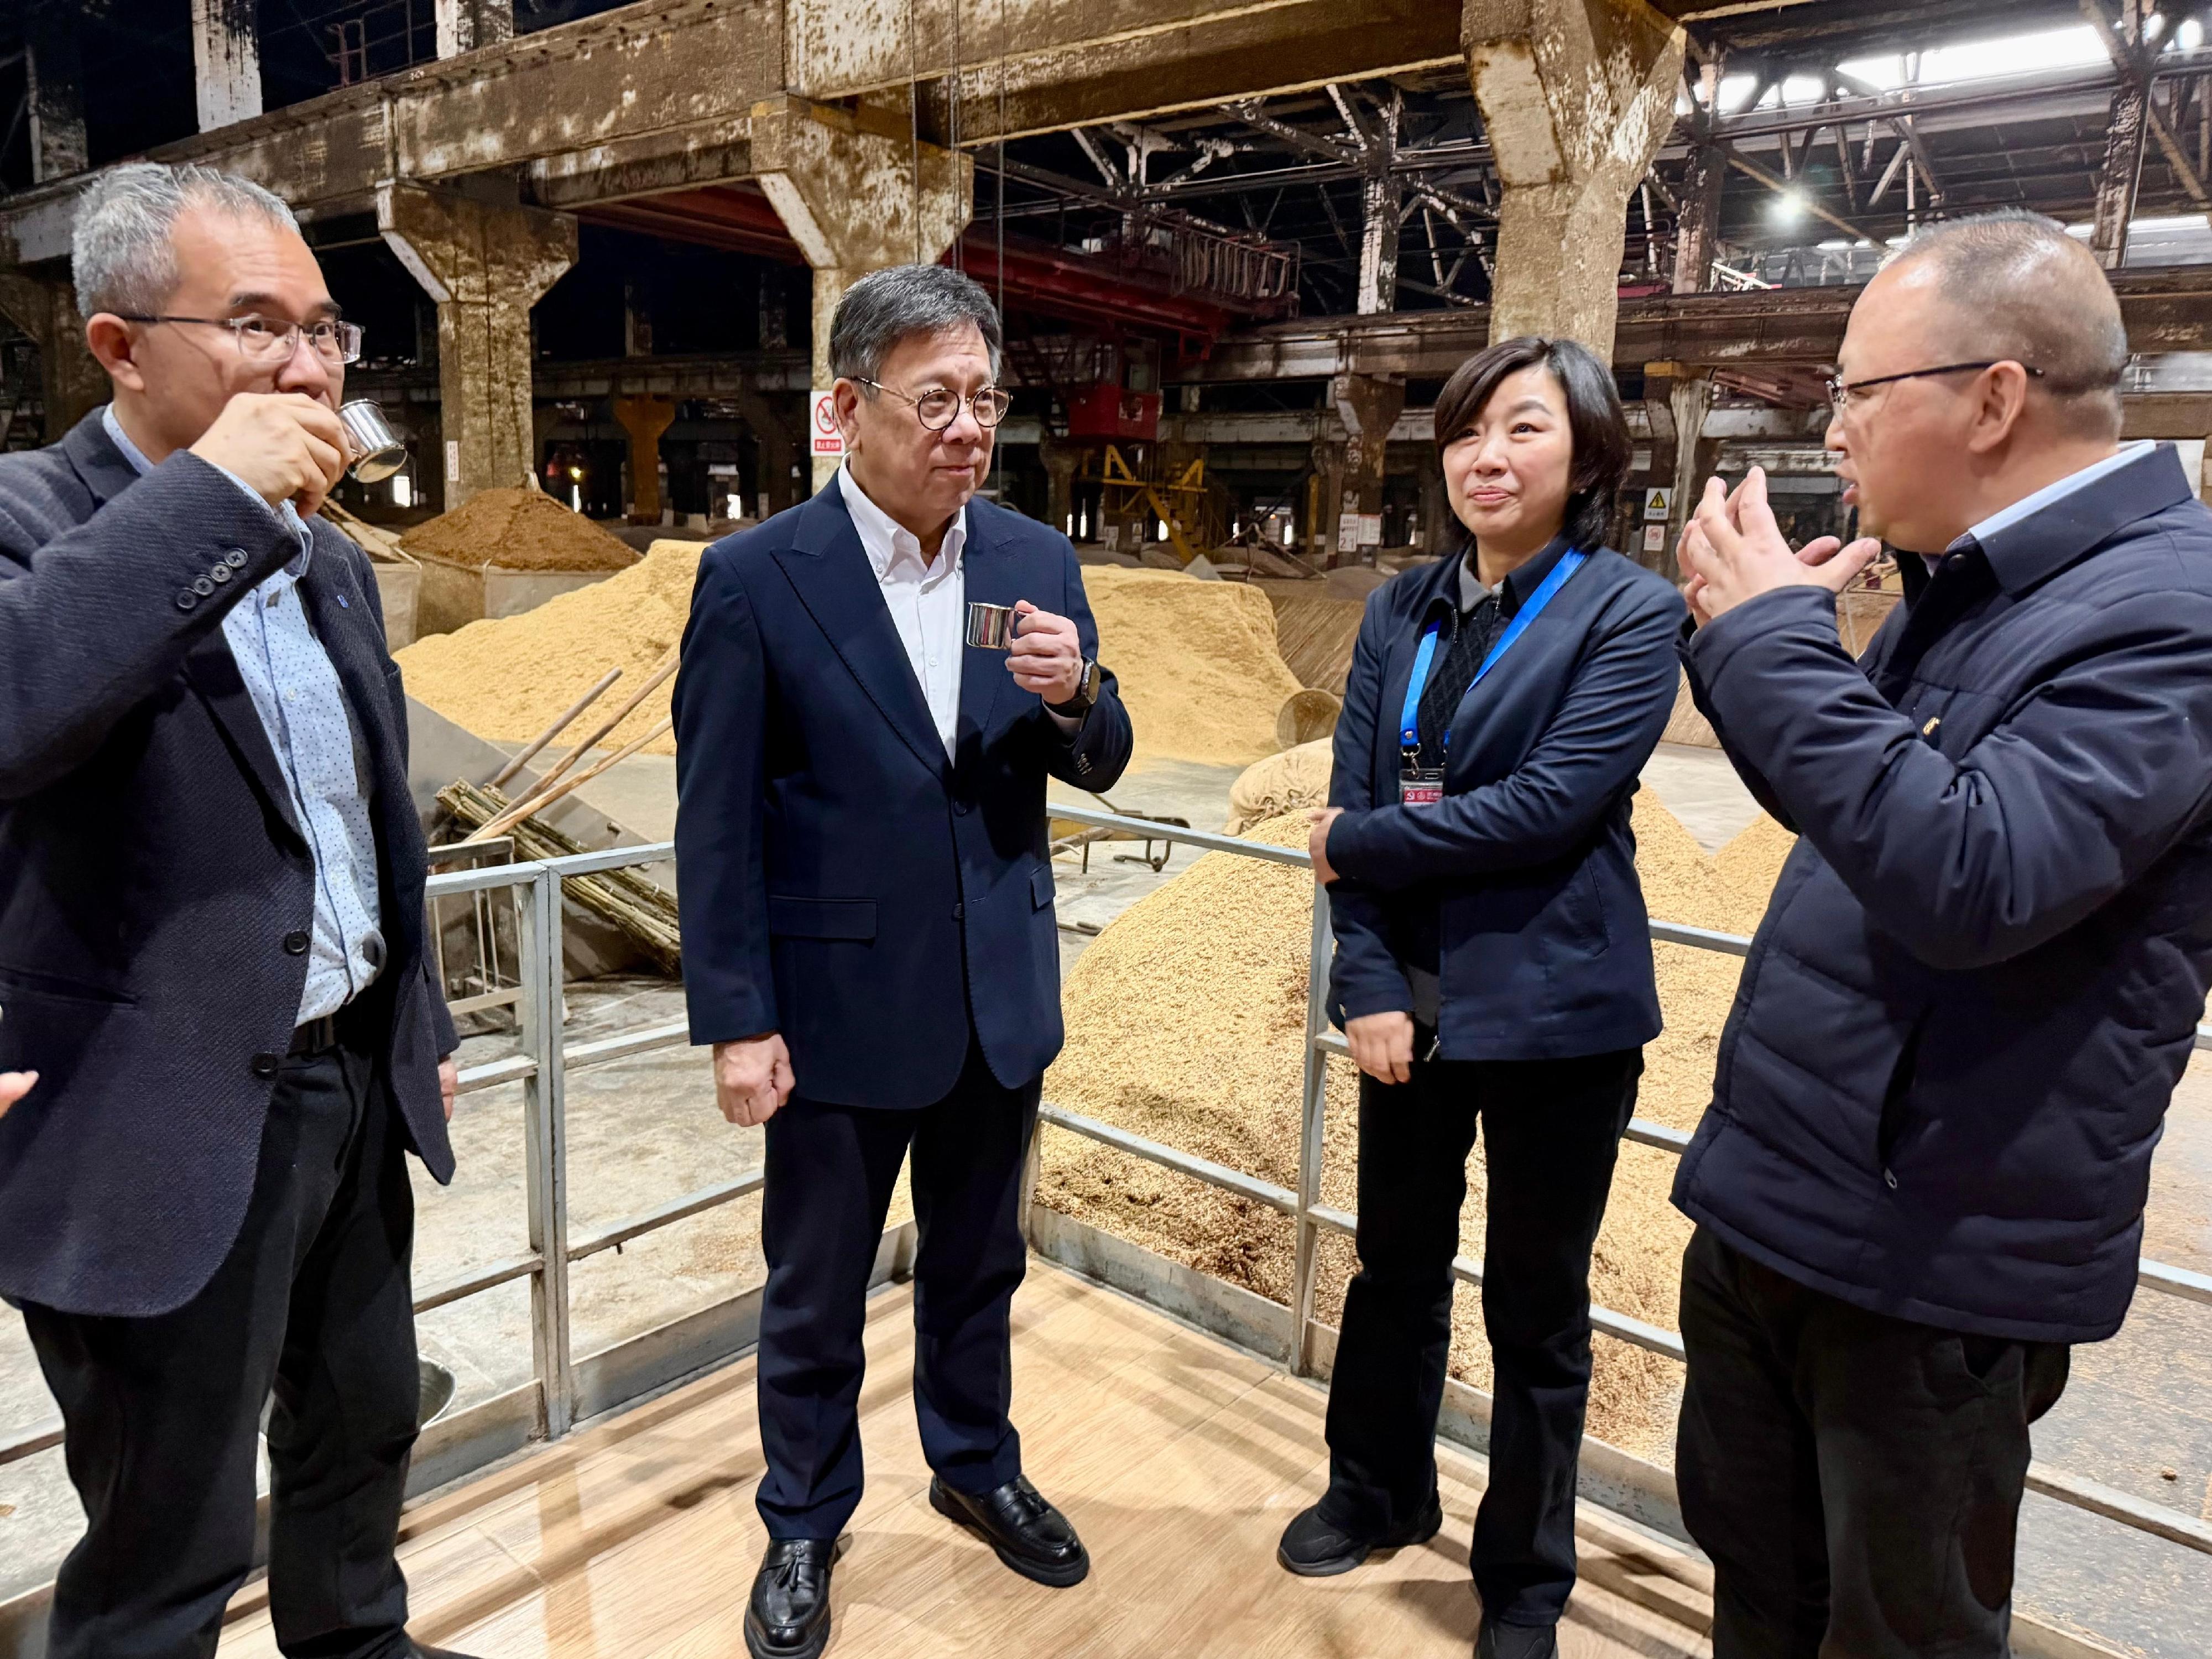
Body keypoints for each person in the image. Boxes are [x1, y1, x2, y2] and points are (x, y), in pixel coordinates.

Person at [1671, 208, 2212, 1657]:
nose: (1833, 428)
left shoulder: (2172, 613)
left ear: (1993, 397)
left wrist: (1773, 644)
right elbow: (1871, 819)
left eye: (1859, 389)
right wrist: (1748, 647)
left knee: (1895, 1631)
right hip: (1791, 1215)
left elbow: (1974, 876)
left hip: (1926, 1269)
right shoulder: (1968, 589)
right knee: (1762, 1596)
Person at [0, 163, 468, 1659]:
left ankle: (356, 1644)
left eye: (328, 331)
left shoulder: (322, 550)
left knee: (362, 1422)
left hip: (341, 1081)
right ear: (119, 344)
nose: (307, 366)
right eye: (256, 324)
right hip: (154, 1116)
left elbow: (364, 813)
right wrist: (212, 495)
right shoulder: (34, 517)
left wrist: (421, 1016)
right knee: (169, 1528)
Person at [672, 263, 1133, 1659]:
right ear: (847, 409)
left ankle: (975, 1463)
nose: (965, 427)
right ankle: (803, 1516)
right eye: (933, 398)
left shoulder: (1033, 563)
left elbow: (1102, 759)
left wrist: (1081, 698)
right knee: (814, 1291)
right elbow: (717, 825)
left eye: (983, 399)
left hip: (996, 1001)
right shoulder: (757, 581)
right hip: (833, 1012)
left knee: (978, 1267)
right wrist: (737, 1019)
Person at [1290, 336, 1683, 1659]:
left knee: (1535, 1299)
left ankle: (1523, 1576)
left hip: (1557, 1016)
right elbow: (1355, 794)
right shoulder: (1399, 606)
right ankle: (1375, 1488)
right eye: (1465, 431)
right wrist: (1368, 988)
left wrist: (1358, 845)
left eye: (1522, 429)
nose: (1485, 456)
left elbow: (1548, 807)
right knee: (1390, 1264)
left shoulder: (1626, 612)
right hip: (1408, 1007)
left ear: (1584, 458)